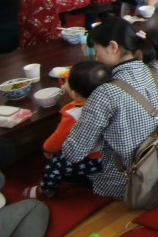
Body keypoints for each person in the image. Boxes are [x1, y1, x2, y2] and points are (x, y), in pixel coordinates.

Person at [62, 17, 158, 200]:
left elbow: (73, 152)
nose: (96, 58)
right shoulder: (156, 70)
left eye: (97, 50)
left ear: (113, 47)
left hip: (134, 182)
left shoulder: (106, 92)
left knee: (63, 166)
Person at [24, 62, 111, 198]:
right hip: (113, 154)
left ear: (75, 93)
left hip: (95, 159)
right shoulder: (110, 103)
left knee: (54, 166)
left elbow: (57, 139)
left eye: (65, 82)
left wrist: (47, 148)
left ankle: (45, 190)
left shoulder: (73, 114)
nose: (63, 84)